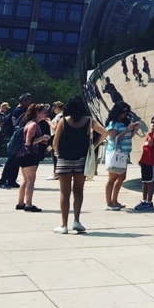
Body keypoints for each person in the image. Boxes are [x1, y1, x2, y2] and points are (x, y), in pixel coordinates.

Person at [51, 95, 106, 233]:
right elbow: (105, 132)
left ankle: (64, 225)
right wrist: (93, 146)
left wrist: (58, 155)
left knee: (64, 193)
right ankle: (76, 220)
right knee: (78, 192)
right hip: (82, 160)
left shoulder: (63, 121)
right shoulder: (89, 121)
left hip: (65, 159)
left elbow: (55, 143)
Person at [104, 102, 140, 210]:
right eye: (123, 112)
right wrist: (127, 130)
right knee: (112, 178)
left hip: (124, 153)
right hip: (115, 153)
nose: (125, 114)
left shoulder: (124, 122)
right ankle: (109, 202)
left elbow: (129, 137)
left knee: (121, 177)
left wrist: (135, 129)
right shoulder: (112, 123)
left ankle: (114, 200)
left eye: (126, 112)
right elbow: (115, 139)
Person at [17, 103, 52, 212]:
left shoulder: (29, 123)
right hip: (30, 154)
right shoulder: (33, 125)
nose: (45, 114)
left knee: (25, 180)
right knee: (31, 180)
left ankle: (20, 202)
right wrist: (42, 138)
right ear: (37, 113)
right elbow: (28, 142)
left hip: (23, 154)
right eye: (43, 112)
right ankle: (29, 204)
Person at [0, 93, 32, 189]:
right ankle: (3, 180)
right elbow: (15, 123)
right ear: (24, 101)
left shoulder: (26, 110)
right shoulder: (18, 111)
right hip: (16, 137)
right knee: (11, 160)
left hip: (23, 137)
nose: (30, 102)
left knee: (17, 160)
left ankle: (12, 180)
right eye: (28, 100)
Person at [134, 115, 154, 210]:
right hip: (145, 161)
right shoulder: (148, 134)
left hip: (152, 161)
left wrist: (151, 133)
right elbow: (146, 148)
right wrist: (141, 160)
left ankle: (149, 202)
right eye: (152, 122)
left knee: (150, 182)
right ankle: (144, 200)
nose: (153, 124)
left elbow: (151, 144)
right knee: (144, 182)